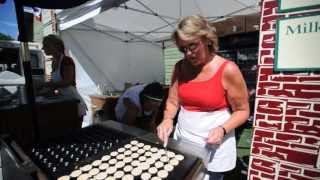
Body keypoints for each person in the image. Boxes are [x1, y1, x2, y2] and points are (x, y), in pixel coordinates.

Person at [156, 15, 250, 180]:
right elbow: (172, 101)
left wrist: (222, 129)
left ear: (207, 39)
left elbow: (242, 111)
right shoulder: (179, 67)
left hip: (214, 141)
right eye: (183, 49)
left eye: (192, 45)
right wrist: (167, 119)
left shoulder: (228, 69)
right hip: (184, 137)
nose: (188, 54)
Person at [38, 34, 87, 128]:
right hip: (64, 102)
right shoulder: (54, 62)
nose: (43, 48)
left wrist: (43, 84)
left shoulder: (66, 60)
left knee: (74, 132)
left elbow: (67, 81)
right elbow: (54, 85)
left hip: (73, 102)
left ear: (55, 46)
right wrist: (42, 93)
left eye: (45, 45)